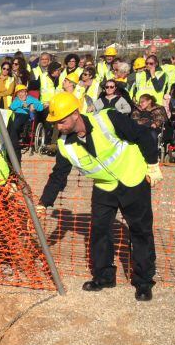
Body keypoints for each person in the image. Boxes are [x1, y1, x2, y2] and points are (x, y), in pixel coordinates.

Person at [37, 92, 162, 302]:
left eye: (62, 121)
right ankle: (104, 276)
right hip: (105, 187)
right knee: (99, 230)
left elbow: (143, 135)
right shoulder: (64, 145)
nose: (59, 127)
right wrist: (43, 203)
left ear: (76, 114)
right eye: (56, 123)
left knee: (140, 231)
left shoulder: (108, 119)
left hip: (133, 179)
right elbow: (59, 175)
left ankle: (143, 281)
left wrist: (152, 165)